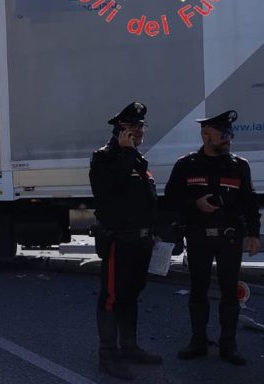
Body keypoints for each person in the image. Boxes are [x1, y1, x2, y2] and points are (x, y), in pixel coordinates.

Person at [165, 110, 260, 366]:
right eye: (223, 135)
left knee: (230, 292)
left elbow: (249, 202)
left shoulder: (239, 166)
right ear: (206, 136)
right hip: (198, 236)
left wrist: (253, 233)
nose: (229, 138)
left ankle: (229, 346)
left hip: (229, 238)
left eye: (229, 134)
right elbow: (171, 198)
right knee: (199, 290)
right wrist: (194, 202)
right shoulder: (187, 165)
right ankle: (198, 342)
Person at [89, 102, 162, 380]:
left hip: (140, 241)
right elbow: (111, 191)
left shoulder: (136, 159)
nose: (141, 131)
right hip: (118, 241)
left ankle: (129, 348)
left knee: (131, 297)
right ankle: (107, 357)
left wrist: (151, 231)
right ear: (122, 130)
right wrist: (127, 152)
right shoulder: (105, 158)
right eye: (136, 127)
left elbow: (142, 201)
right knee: (111, 299)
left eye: (142, 126)